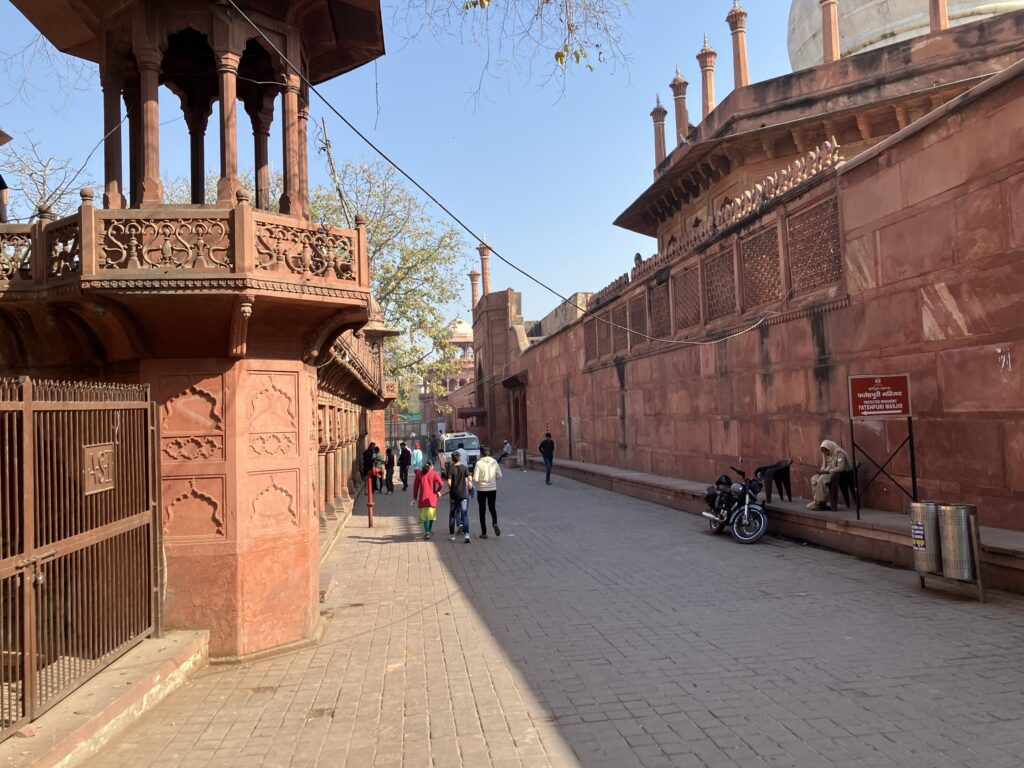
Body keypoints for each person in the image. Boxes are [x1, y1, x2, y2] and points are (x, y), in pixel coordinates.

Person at [807, 439, 851, 510]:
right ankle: (818, 500)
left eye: (826, 451)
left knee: (822, 479)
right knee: (814, 479)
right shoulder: (826, 454)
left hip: (838, 474)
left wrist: (828, 471)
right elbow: (824, 465)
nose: (825, 453)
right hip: (829, 471)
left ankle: (819, 501)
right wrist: (821, 471)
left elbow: (841, 467)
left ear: (829, 448)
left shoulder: (839, 453)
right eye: (824, 452)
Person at [473, 446, 502, 538]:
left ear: (481, 453)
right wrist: (493, 480)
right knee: (492, 507)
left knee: (482, 510)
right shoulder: (494, 461)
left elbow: (476, 479)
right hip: (492, 489)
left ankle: (484, 532)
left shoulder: (479, 463)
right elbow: (499, 475)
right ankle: (495, 522)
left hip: (482, 489)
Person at [412, 460, 445, 539]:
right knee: (431, 516)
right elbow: (441, 483)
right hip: (432, 498)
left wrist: (415, 497)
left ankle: (427, 532)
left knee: (424, 517)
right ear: (431, 466)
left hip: (423, 498)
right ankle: (429, 530)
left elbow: (416, 486)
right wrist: (437, 491)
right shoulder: (434, 473)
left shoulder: (419, 474)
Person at [447, 451, 472, 543]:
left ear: (452, 459)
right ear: (459, 458)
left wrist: (451, 487)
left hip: (454, 495)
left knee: (452, 515)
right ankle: (466, 535)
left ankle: (452, 536)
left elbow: (449, 482)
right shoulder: (464, 468)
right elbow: (470, 478)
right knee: (464, 514)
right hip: (463, 495)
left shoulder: (451, 469)